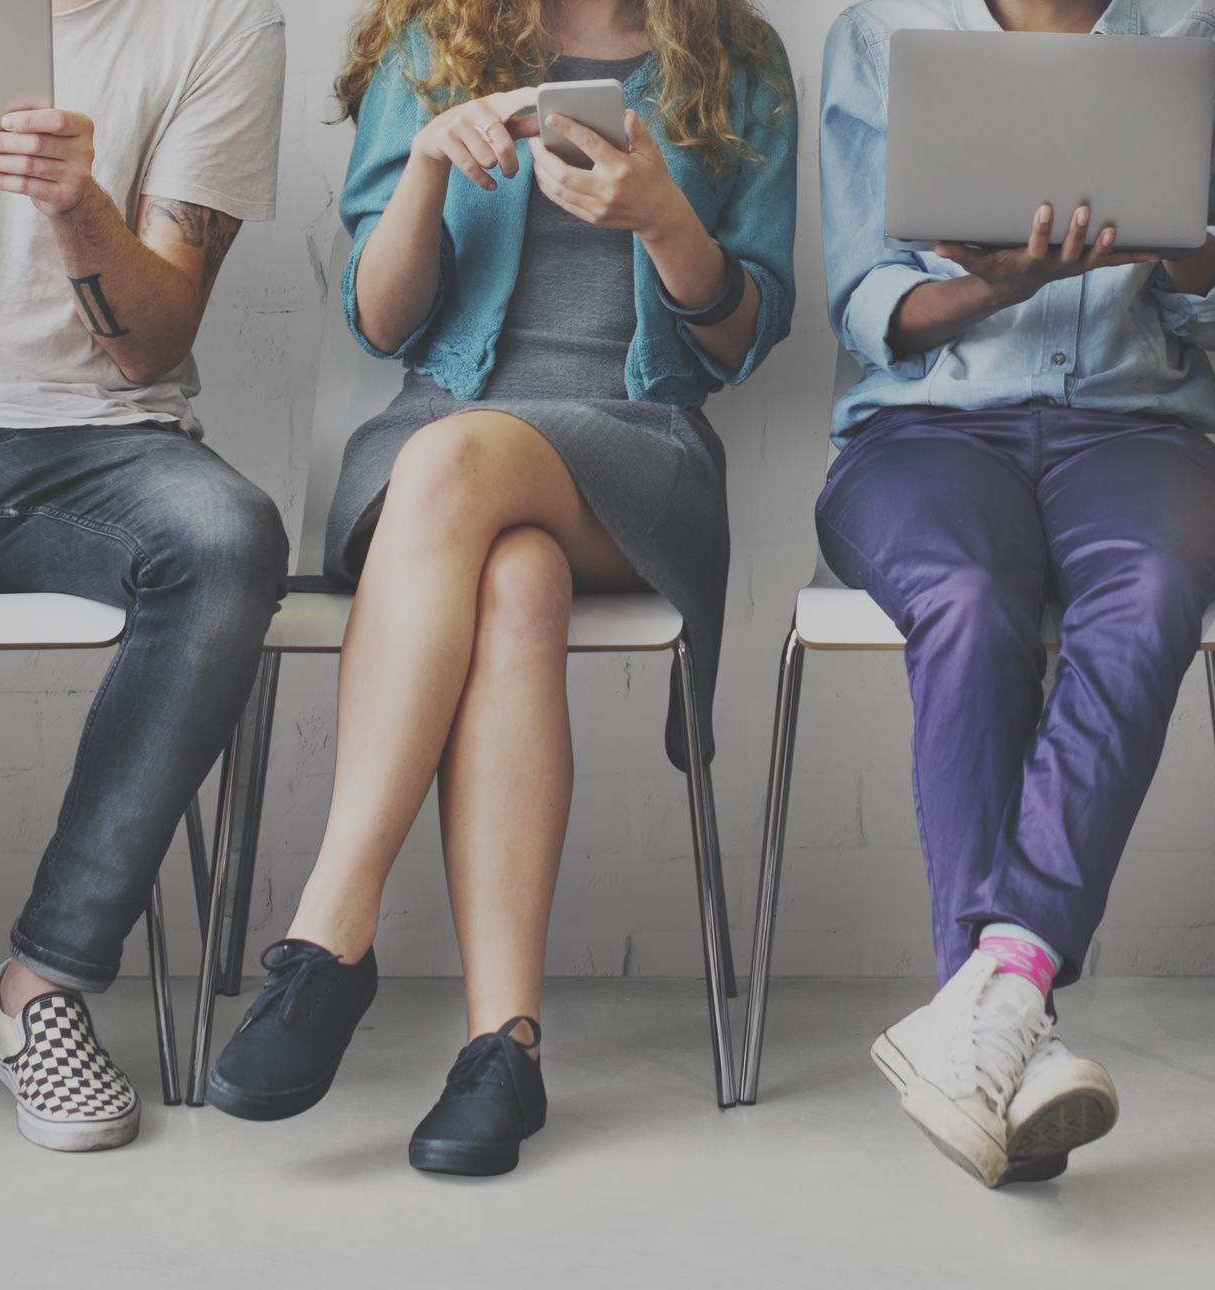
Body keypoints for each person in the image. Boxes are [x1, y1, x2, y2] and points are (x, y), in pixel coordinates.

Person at [203, 0, 793, 1176]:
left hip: (636, 450)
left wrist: (667, 222)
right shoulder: (433, 45)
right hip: (439, 440)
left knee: (459, 460)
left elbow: (744, 337)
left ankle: (330, 929)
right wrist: (424, 167)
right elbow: (381, 323)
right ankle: (503, 1047)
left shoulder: (735, 52)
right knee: (516, 582)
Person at [818, 0, 1215, 1186]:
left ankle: (993, 1000)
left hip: (1138, 431)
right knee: (967, 598)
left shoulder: (1194, 26)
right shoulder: (884, 28)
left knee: (1158, 584)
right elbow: (867, 307)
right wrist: (997, 289)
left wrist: (1175, 247)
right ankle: (1010, 1021)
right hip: (923, 436)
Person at [0, 0, 287, 1152]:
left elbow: (151, 343)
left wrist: (79, 209)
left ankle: (40, 989)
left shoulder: (218, 26)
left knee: (224, 541)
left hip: (97, 442)